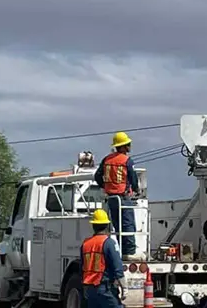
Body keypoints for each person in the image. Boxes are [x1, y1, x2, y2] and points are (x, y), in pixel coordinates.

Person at [94, 131, 143, 260]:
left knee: (117, 226)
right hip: (123, 197)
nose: (129, 146)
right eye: (127, 144)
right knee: (128, 224)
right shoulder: (126, 160)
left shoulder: (107, 159)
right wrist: (137, 190)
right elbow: (132, 177)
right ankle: (130, 252)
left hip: (111, 198)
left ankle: (122, 250)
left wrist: (106, 187)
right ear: (122, 146)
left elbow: (97, 176)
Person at [81, 209, 128, 308]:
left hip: (91, 289)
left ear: (93, 226)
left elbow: (83, 267)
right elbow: (117, 267)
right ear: (107, 225)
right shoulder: (108, 243)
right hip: (106, 289)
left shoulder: (85, 244)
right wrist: (124, 287)